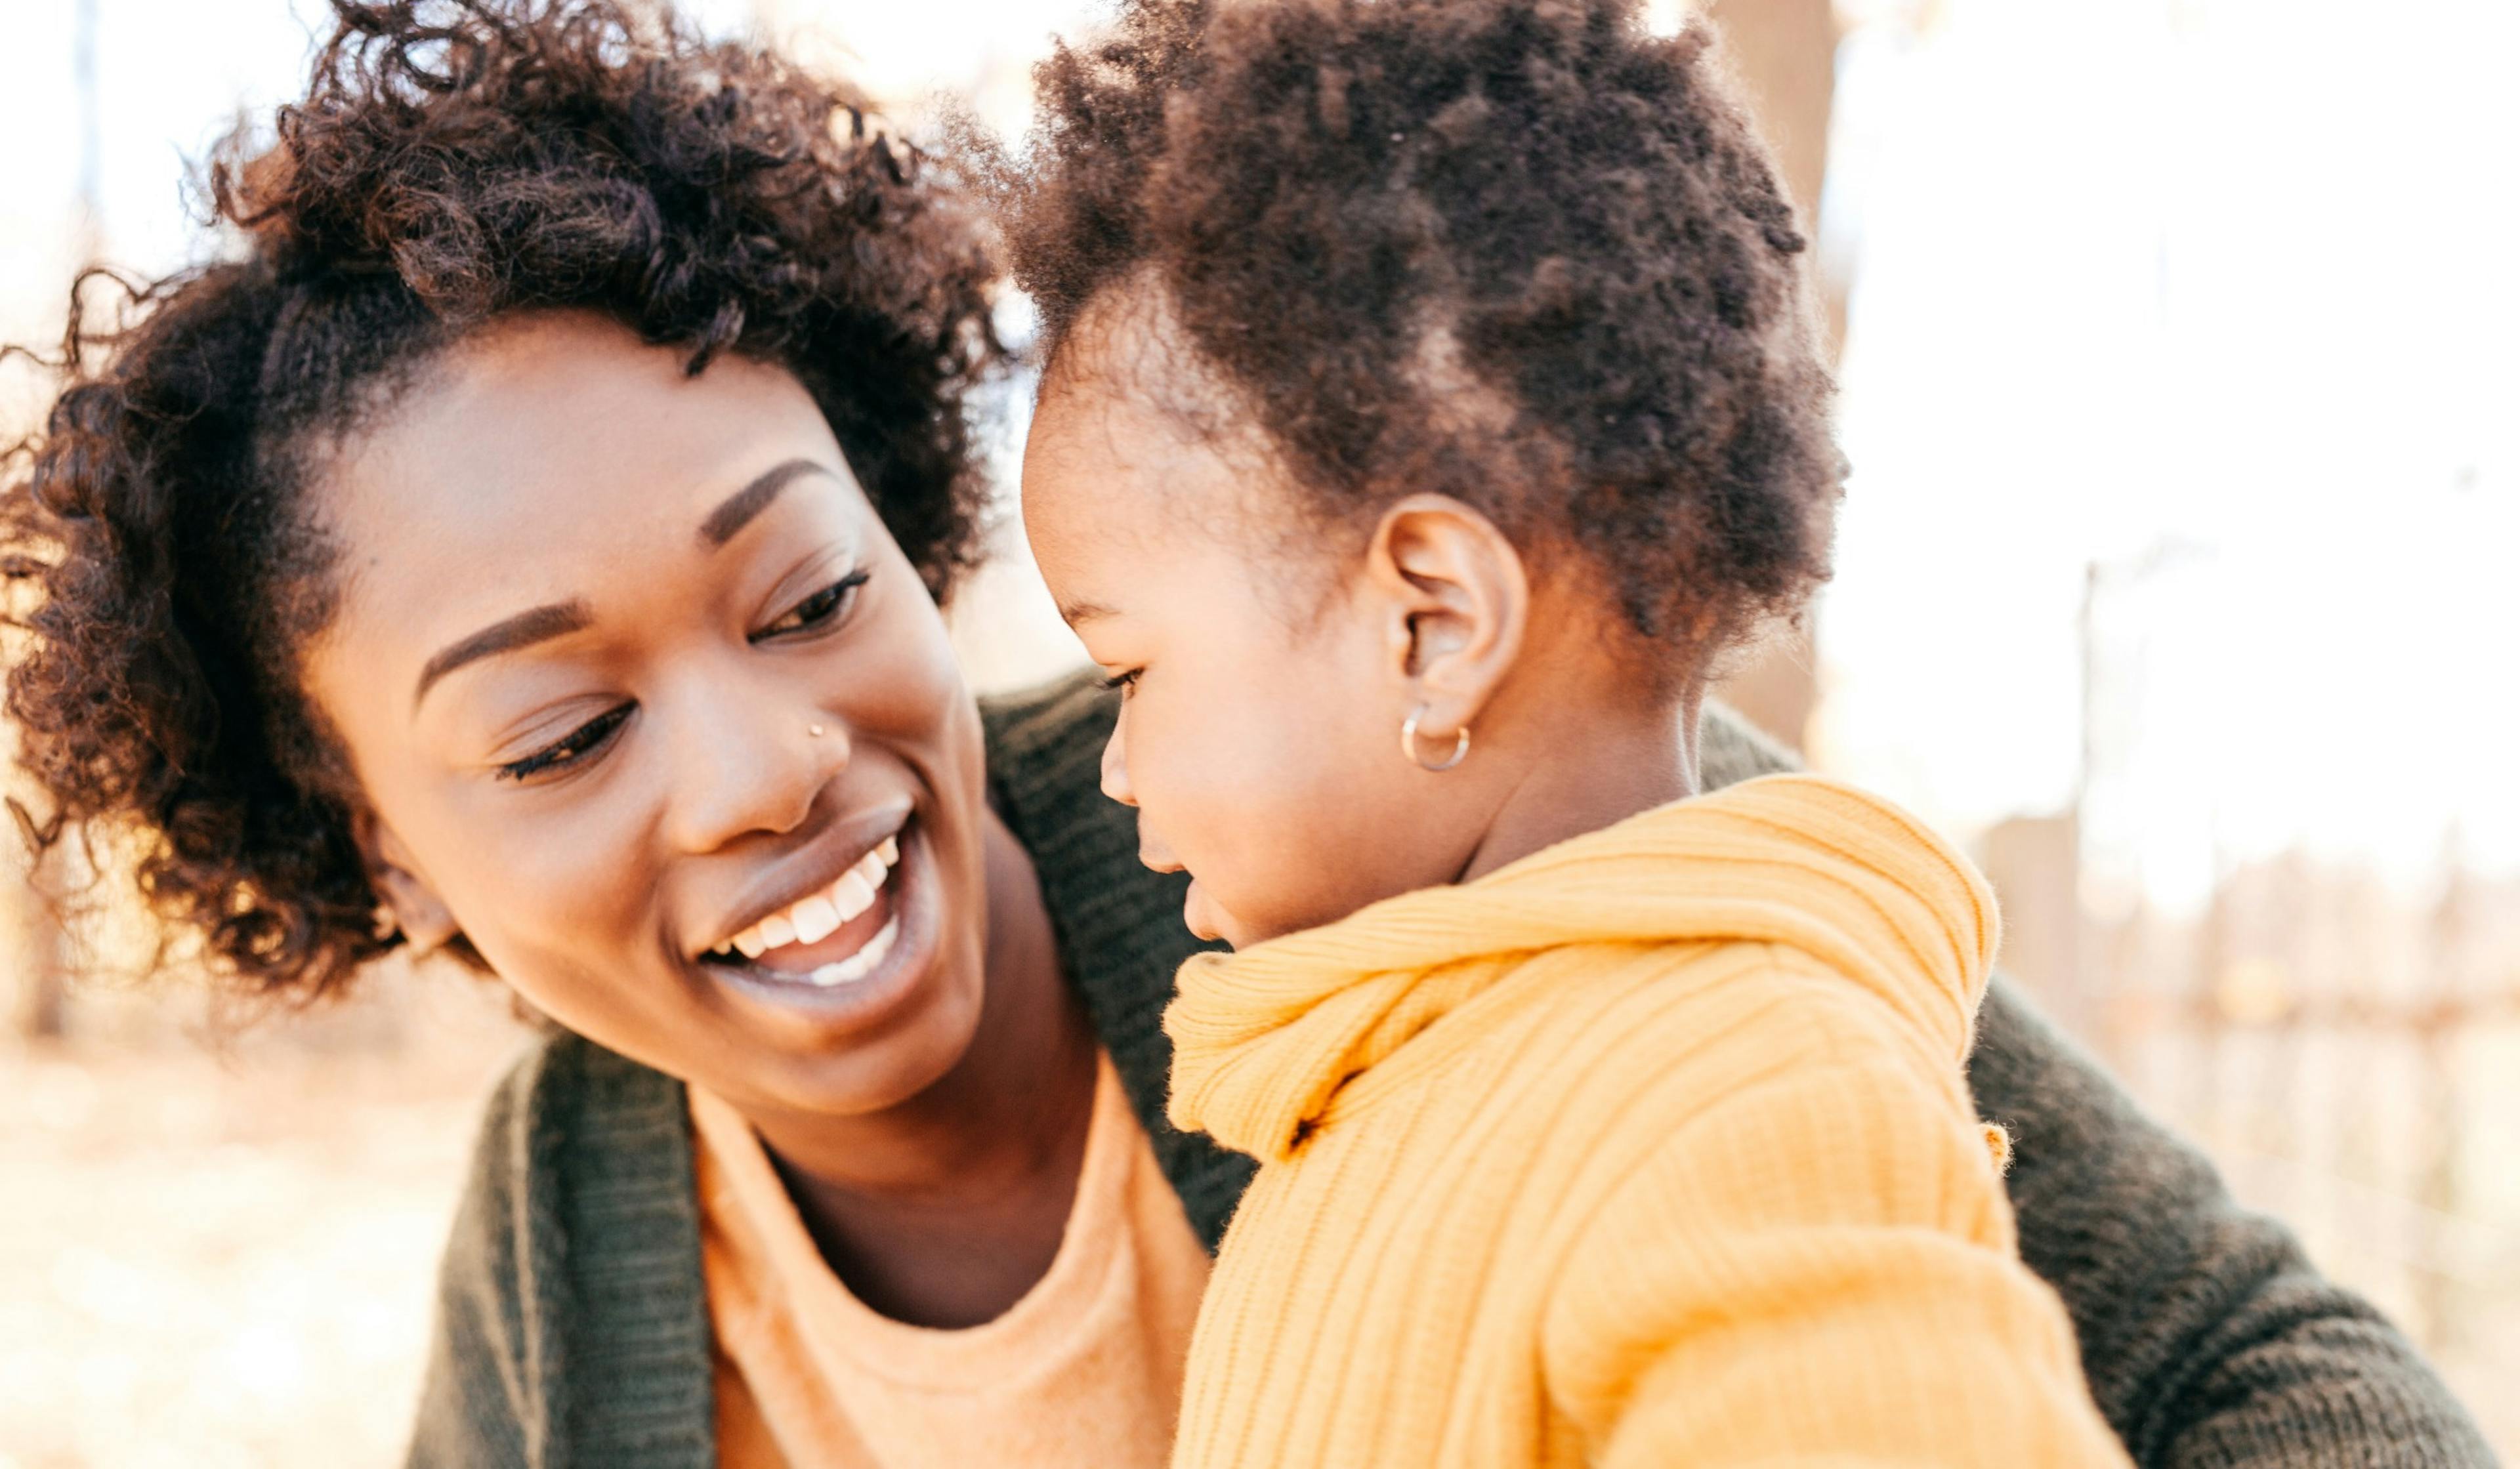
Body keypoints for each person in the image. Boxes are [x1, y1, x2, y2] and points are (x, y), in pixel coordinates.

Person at [0, 1, 2488, 1467]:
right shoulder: (565, 1256)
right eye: (555, 741)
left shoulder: (1492, 869)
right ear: (377, 846)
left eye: (808, 589)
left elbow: (2288, 1378)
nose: (764, 765)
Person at [1007, 1, 2119, 1462]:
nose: (1114, 762)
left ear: (1434, 629)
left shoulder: (1739, 1087)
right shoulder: (1405, 1076)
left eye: (1128, 673)